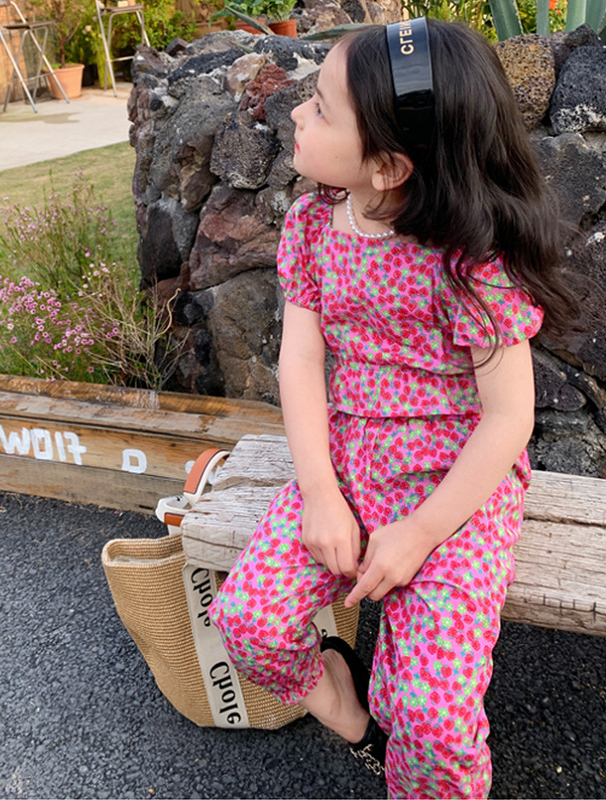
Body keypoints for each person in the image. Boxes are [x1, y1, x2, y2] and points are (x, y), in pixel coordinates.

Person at [208, 17, 578, 799]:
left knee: (432, 717)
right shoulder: (314, 223)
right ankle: (344, 706)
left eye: (321, 108)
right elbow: (302, 359)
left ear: (388, 164)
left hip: (456, 487)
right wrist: (319, 494)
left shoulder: (470, 258)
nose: (297, 116)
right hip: (345, 463)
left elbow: (509, 419)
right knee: (247, 623)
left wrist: (420, 531)